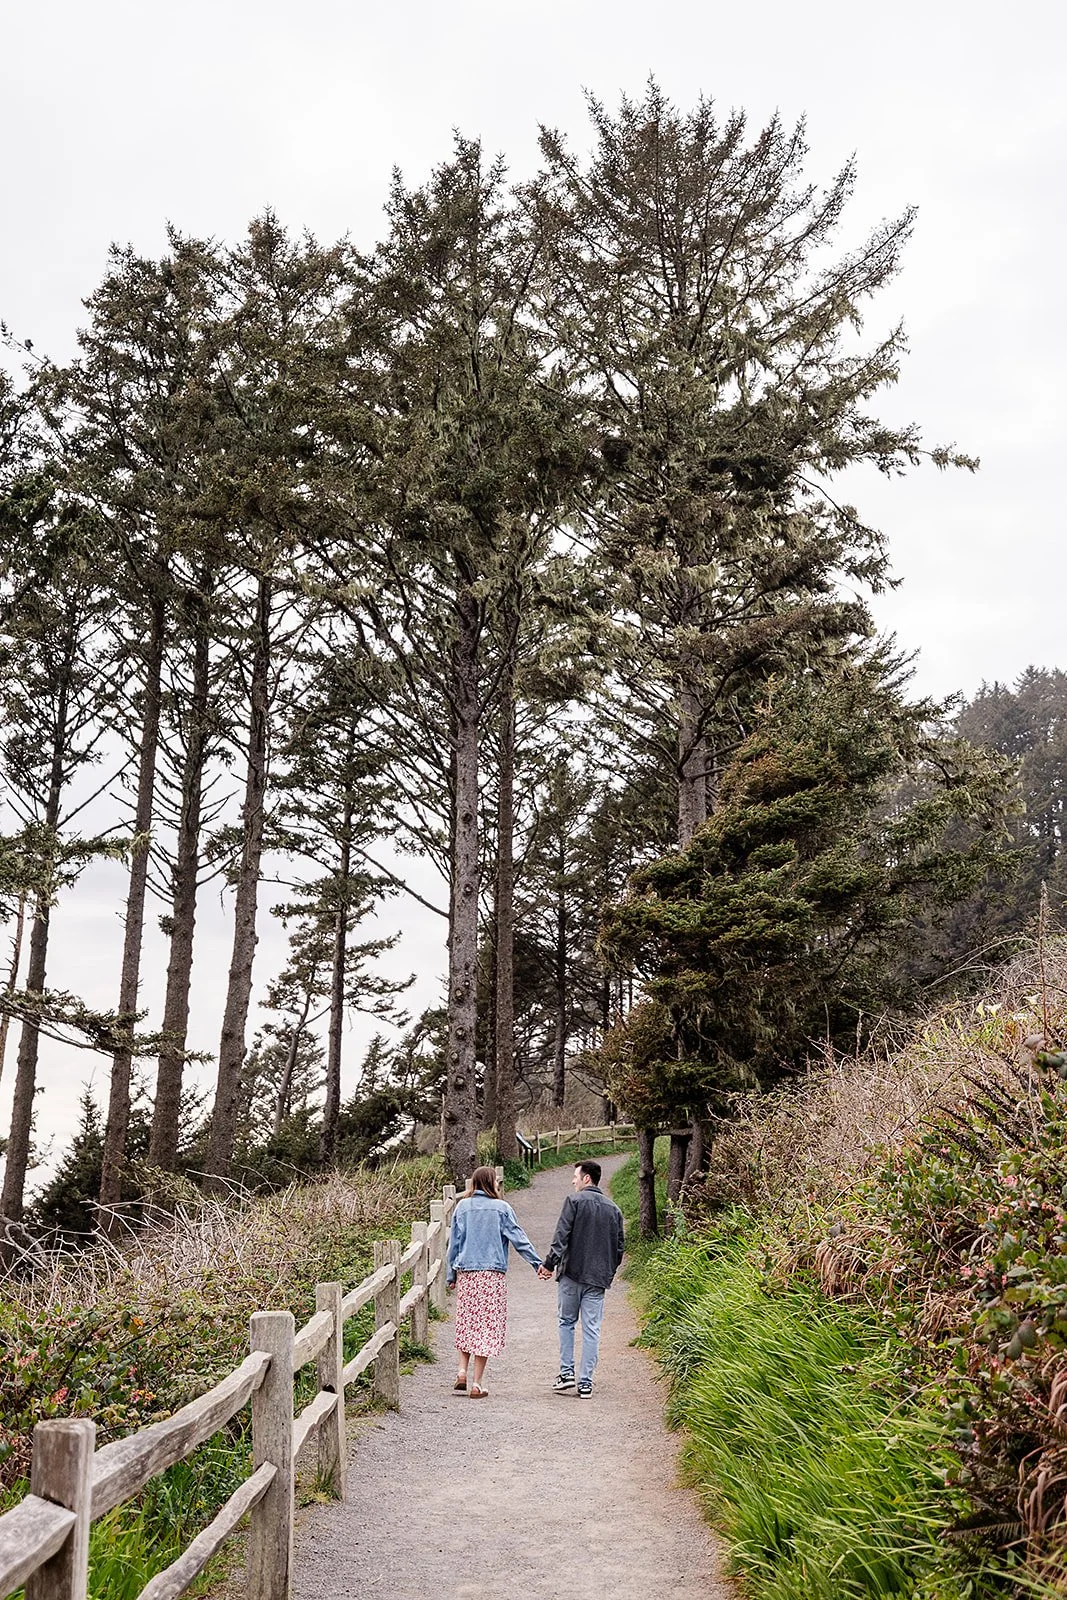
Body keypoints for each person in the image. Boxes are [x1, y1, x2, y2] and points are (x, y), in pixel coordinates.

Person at [446, 1165, 543, 1398]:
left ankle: (461, 1371)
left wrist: (451, 1275)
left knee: (467, 1322)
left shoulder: (462, 1207)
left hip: (467, 1273)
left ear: (473, 1183)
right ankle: (477, 1384)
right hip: (491, 1276)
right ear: (493, 1183)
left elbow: (454, 1245)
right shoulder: (502, 1209)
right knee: (486, 1327)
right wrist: (537, 1263)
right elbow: (519, 1239)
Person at [538, 1159, 625, 1398]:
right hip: (598, 1279)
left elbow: (561, 1236)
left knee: (566, 1322)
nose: (573, 1181)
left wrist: (548, 1264)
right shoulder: (614, 1209)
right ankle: (585, 1382)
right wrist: (609, 1272)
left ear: (587, 1178)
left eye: (576, 1176)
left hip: (572, 1274)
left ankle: (566, 1374)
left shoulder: (573, 1201)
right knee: (592, 1329)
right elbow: (619, 1247)